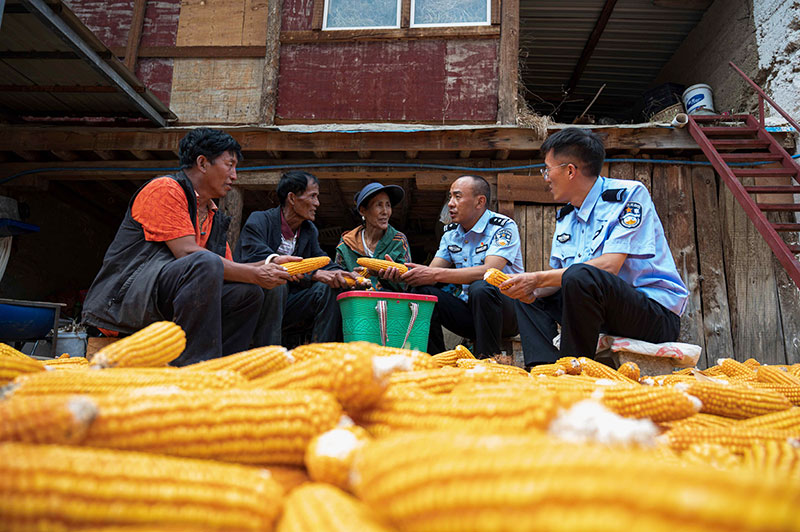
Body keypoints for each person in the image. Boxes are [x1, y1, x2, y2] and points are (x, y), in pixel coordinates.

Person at [82, 128, 293, 366]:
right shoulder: (165, 189)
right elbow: (187, 252)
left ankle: (227, 367)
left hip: (171, 298)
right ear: (202, 163)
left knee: (249, 293)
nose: (234, 175)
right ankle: (196, 364)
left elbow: (229, 269)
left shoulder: (213, 214)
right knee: (206, 263)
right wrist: (255, 273)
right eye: (229, 165)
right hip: (127, 301)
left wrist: (268, 264)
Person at [502, 127, 689, 369]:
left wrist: (537, 278)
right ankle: (543, 369)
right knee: (529, 296)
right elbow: (558, 281)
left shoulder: (628, 195)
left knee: (578, 275)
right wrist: (527, 286)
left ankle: (572, 370)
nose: (545, 178)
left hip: (652, 314)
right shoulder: (566, 216)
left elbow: (610, 266)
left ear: (570, 171)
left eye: (547, 170)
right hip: (600, 312)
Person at [385, 175, 523, 358]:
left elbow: (490, 271)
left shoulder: (503, 227)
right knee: (424, 292)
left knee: (481, 287)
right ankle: (437, 361)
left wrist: (434, 274)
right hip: (471, 314)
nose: (450, 203)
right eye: (450, 197)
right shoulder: (450, 233)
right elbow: (431, 272)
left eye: (457, 197)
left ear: (479, 202)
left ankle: (488, 360)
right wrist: (404, 273)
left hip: (507, 314)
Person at [235, 170, 355, 346]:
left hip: (289, 304)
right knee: (277, 283)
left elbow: (321, 259)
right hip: (255, 301)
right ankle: (270, 353)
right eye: (312, 196)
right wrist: (312, 274)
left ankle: (321, 353)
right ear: (292, 198)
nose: (317, 203)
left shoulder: (308, 230)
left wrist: (345, 274)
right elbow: (260, 260)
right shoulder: (259, 221)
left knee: (328, 289)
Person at [334, 182, 412, 292]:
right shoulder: (346, 244)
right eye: (379, 205)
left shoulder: (398, 240)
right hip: (356, 303)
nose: (385, 212)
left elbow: (406, 285)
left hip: (388, 303)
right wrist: (351, 279)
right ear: (363, 210)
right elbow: (337, 279)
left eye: (388, 205)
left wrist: (392, 277)